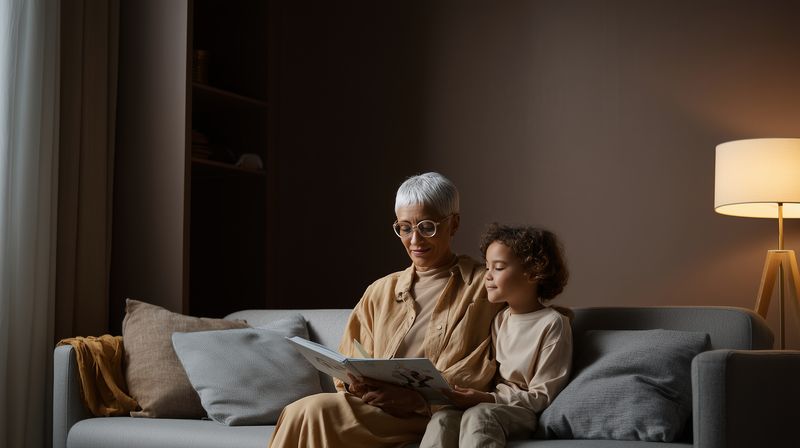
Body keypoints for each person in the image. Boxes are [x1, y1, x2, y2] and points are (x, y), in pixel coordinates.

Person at [268, 172, 503, 448]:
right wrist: (356, 383)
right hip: (376, 408)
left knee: (314, 412)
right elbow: (350, 358)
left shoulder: (485, 286)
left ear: (453, 224)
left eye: (427, 227)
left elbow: (479, 369)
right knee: (300, 410)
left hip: (433, 415)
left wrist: (417, 401)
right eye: (405, 228)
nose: (415, 239)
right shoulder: (380, 291)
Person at [420, 224, 573, 448]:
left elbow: (543, 395)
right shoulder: (500, 319)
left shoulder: (553, 323)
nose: (487, 276)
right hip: (490, 403)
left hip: (523, 411)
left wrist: (487, 399)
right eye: (487, 267)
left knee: (479, 417)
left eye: (498, 268)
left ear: (532, 272)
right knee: (443, 418)